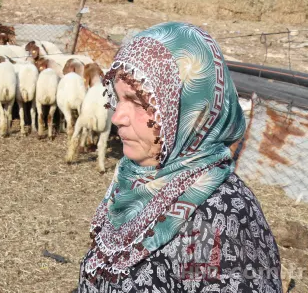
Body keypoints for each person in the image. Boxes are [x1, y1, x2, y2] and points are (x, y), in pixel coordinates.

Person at [78, 22, 283, 293]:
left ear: (190, 110)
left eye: (138, 101)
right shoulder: (133, 177)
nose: (117, 117)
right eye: (118, 98)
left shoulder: (217, 216)